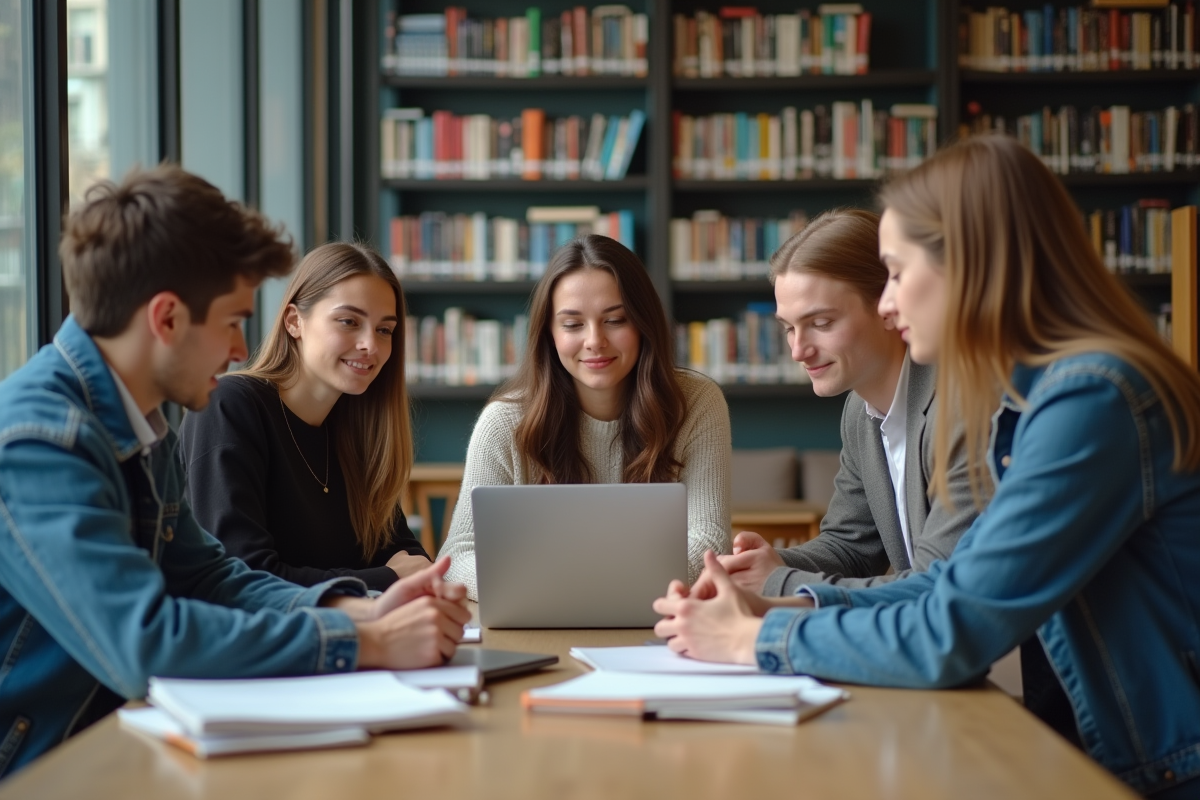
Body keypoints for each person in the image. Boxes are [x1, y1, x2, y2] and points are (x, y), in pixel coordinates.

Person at [653, 135, 1200, 799]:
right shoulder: (1040, 399)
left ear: (971, 265)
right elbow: (952, 589)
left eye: (896, 272)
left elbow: (953, 629)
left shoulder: (1092, 399)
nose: (886, 304)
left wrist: (757, 640)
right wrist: (772, 610)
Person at [0, 165, 469, 776]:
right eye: (231, 322)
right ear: (166, 318)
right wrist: (365, 642)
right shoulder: (40, 441)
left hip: (115, 744)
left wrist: (361, 609)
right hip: (42, 768)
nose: (241, 350)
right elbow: (143, 643)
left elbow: (213, 578)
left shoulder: (141, 426)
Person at [439, 234, 732, 600]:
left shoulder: (697, 403)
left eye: (615, 320)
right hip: (542, 617)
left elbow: (708, 546)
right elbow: (456, 558)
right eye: (573, 324)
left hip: (655, 622)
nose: (595, 340)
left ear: (644, 323)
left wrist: (574, 584)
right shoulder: (503, 422)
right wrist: (560, 589)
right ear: (549, 333)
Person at [719, 209, 982, 597]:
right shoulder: (861, 411)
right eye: (789, 328)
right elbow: (850, 547)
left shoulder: (963, 406)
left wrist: (778, 582)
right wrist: (767, 565)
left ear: (890, 306)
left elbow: (938, 587)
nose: (798, 350)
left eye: (821, 323)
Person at [179, 242, 429, 591]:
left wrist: (398, 575)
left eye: (385, 330)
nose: (370, 345)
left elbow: (408, 557)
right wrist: (387, 578)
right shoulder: (228, 406)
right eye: (348, 322)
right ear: (295, 321)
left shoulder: (359, 431)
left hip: (349, 639)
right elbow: (243, 578)